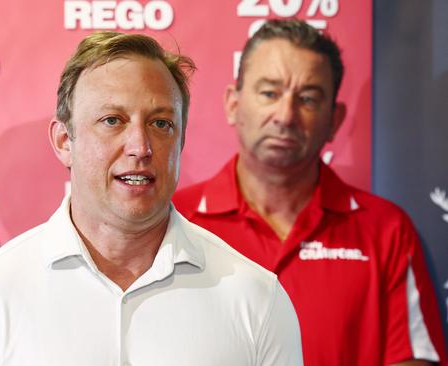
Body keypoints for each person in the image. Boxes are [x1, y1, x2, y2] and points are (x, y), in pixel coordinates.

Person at [0, 31, 303, 365]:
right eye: (112, 120)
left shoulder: (256, 298)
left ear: (181, 141)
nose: (139, 146)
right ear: (64, 141)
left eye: (161, 124)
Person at [173, 19, 447, 366]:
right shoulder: (175, 220)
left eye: (307, 98)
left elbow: (414, 359)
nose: (285, 116)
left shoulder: (386, 230)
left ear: (335, 120)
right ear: (232, 103)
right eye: (270, 93)